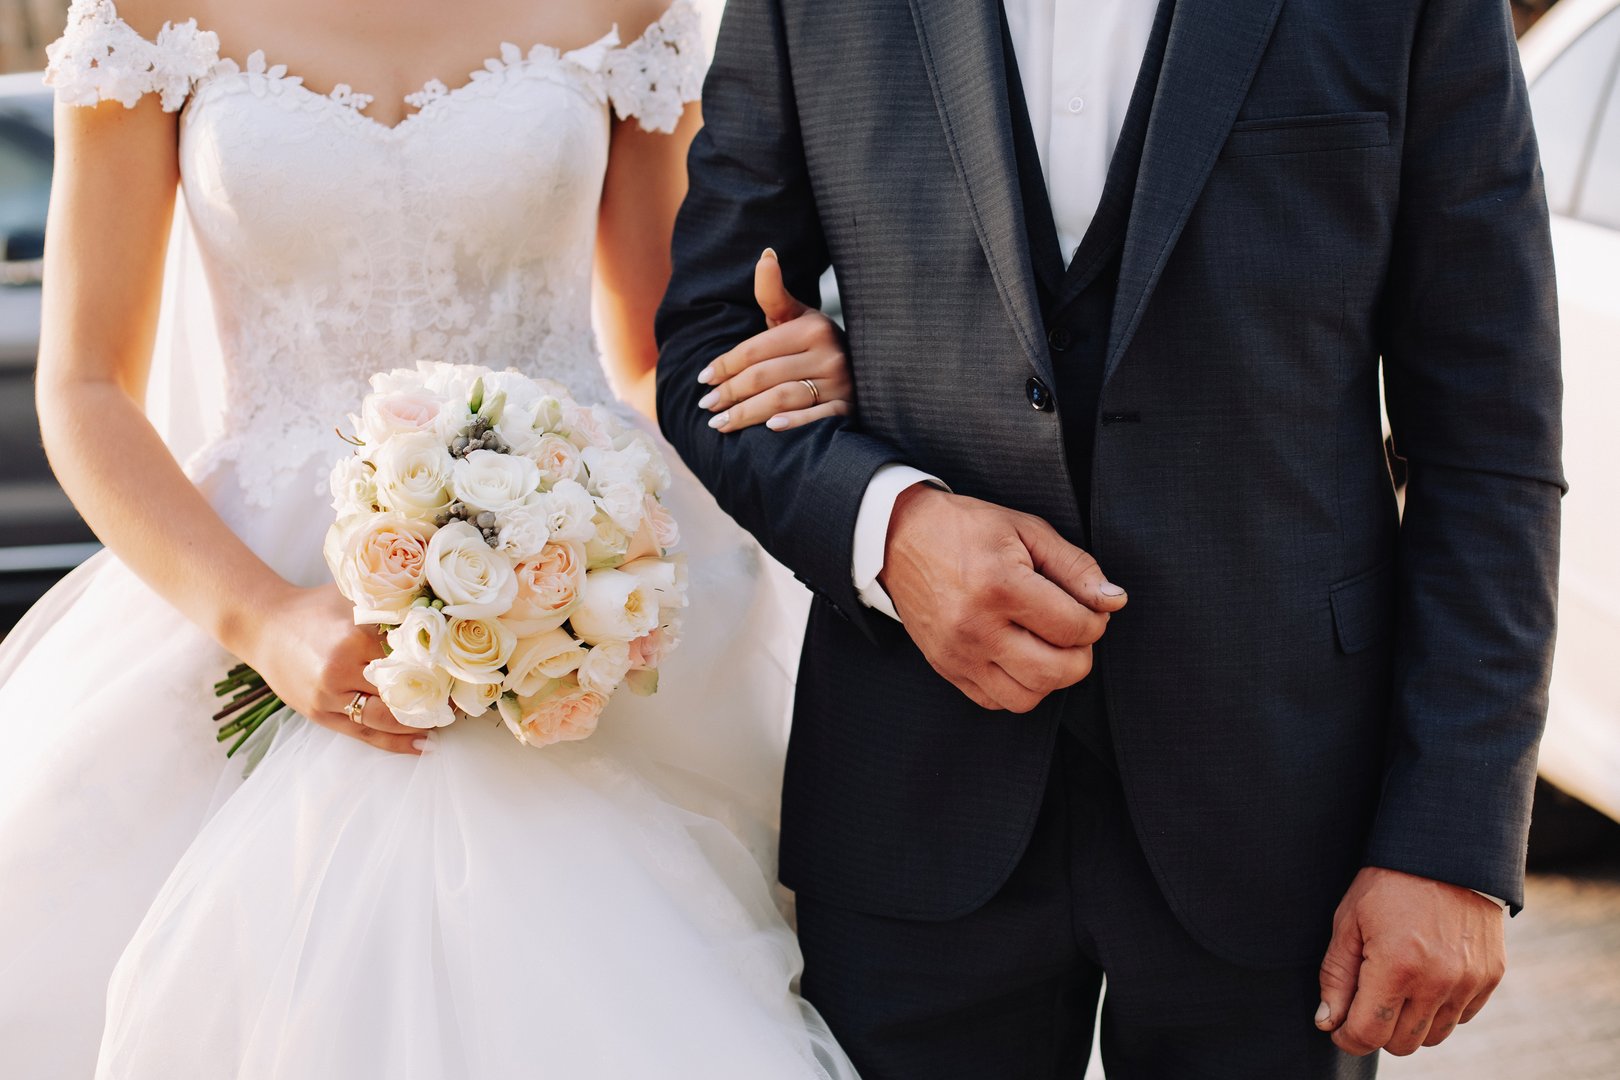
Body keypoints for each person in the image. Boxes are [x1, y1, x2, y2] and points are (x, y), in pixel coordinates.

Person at [657, 0, 1563, 1076]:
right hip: (913, 791)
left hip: (1281, 808)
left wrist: (1450, 842)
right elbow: (710, 348)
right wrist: (888, 524)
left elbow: (1487, 439)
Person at [0, 1, 863, 1076]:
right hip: (256, 586)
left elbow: (662, 351)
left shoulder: (626, 10)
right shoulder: (145, 13)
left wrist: (782, 371)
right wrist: (264, 621)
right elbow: (85, 387)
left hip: (573, 581)